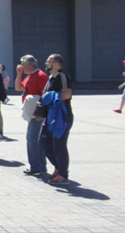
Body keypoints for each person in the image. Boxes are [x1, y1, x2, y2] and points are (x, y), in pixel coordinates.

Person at [34, 54, 74, 186]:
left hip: (61, 116)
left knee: (59, 145)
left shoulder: (62, 76)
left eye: (48, 61)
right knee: (43, 141)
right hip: (50, 116)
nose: (45, 63)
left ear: (56, 64)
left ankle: (63, 174)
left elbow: (67, 94)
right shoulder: (50, 77)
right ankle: (58, 166)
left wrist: (51, 97)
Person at [15, 55, 49, 176]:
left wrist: (41, 113)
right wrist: (19, 74)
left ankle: (36, 166)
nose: (21, 66)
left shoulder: (40, 76)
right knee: (35, 139)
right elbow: (18, 87)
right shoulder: (30, 76)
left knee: (32, 139)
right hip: (33, 113)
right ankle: (39, 166)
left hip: (37, 114)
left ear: (29, 65)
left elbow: (45, 95)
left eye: (22, 64)